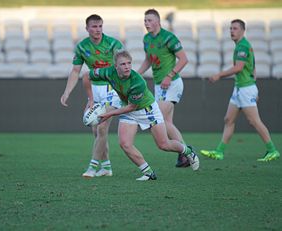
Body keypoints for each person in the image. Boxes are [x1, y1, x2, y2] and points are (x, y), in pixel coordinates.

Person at [83, 50, 199, 181]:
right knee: (125, 144)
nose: (127, 66)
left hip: (147, 110)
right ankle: (149, 173)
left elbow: (132, 106)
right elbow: (86, 76)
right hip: (129, 111)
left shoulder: (137, 81)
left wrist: (108, 114)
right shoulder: (108, 72)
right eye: (123, 64)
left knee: (164, 145)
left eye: (129, 63)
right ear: (116, 66)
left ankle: (188, 151)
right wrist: (91, 99)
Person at [200, 19, 280, 162]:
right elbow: (253, 69)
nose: (232, 31)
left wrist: (219, 75)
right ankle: (219, 152)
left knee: (254, 121)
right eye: (231, 28)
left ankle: (272, 150)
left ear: (243, 31)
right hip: (241, 88)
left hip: (245, 89)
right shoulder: (242, 46)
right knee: (229, 119)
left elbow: (238, 68)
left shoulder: (243, 46)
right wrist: (254, 90)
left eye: (235, 28)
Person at [60, 14, 123, 178]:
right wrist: (67, 92)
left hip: (112, 89)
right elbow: (76, 71)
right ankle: (107, 167)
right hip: (95, 91)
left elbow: (124, 66)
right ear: (87, 28)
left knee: (102, 127)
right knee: (96, 131)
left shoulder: (113, 44)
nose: (98, 30)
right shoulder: (82, 47)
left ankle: (92, 167)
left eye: (100, 26)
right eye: (94, 27)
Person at [137, 9, 190, 168]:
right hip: (159, 85)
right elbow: (149, 60)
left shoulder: (169, 37)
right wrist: (137, 75)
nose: (147, 23)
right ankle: (185, 155)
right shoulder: (146, 39)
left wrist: (169, 75)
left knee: (157, 116)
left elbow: (184, 59)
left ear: (158, 21)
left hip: (172, 83)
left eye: (150, 20)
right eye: (145, 20)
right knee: (167, 123)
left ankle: (186, 152)